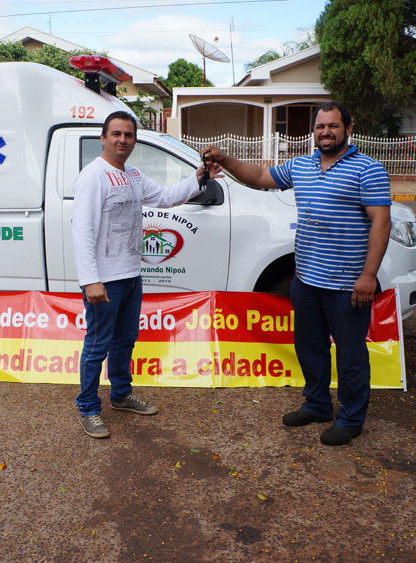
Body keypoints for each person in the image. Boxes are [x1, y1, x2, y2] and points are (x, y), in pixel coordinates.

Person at [204, 100, 392, 446]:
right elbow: (260, 177)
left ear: (348, 129)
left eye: (333, 126)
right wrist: (225, 160)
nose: (326, 132)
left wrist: (368, 275)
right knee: (310, 347)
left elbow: (381, 221)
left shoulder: (368, 169)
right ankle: (318, 404)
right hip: (305, 279)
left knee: (350, 354)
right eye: (320, 127)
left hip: (346, 284)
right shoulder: (302, 166)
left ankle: (351, 419)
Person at [72, 110, 216, 439]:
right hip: (104, 280)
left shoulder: (134, 175)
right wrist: (90, 280)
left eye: (129, 135)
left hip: (130, 275)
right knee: (97, 345)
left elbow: (165, 198)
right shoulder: (93, 176)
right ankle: (88, 407)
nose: (123, 140)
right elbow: (81, 232)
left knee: (125, 342)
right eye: (116, 134)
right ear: (103, 138)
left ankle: (121, 395)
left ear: (135, 140)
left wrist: (199, 177)